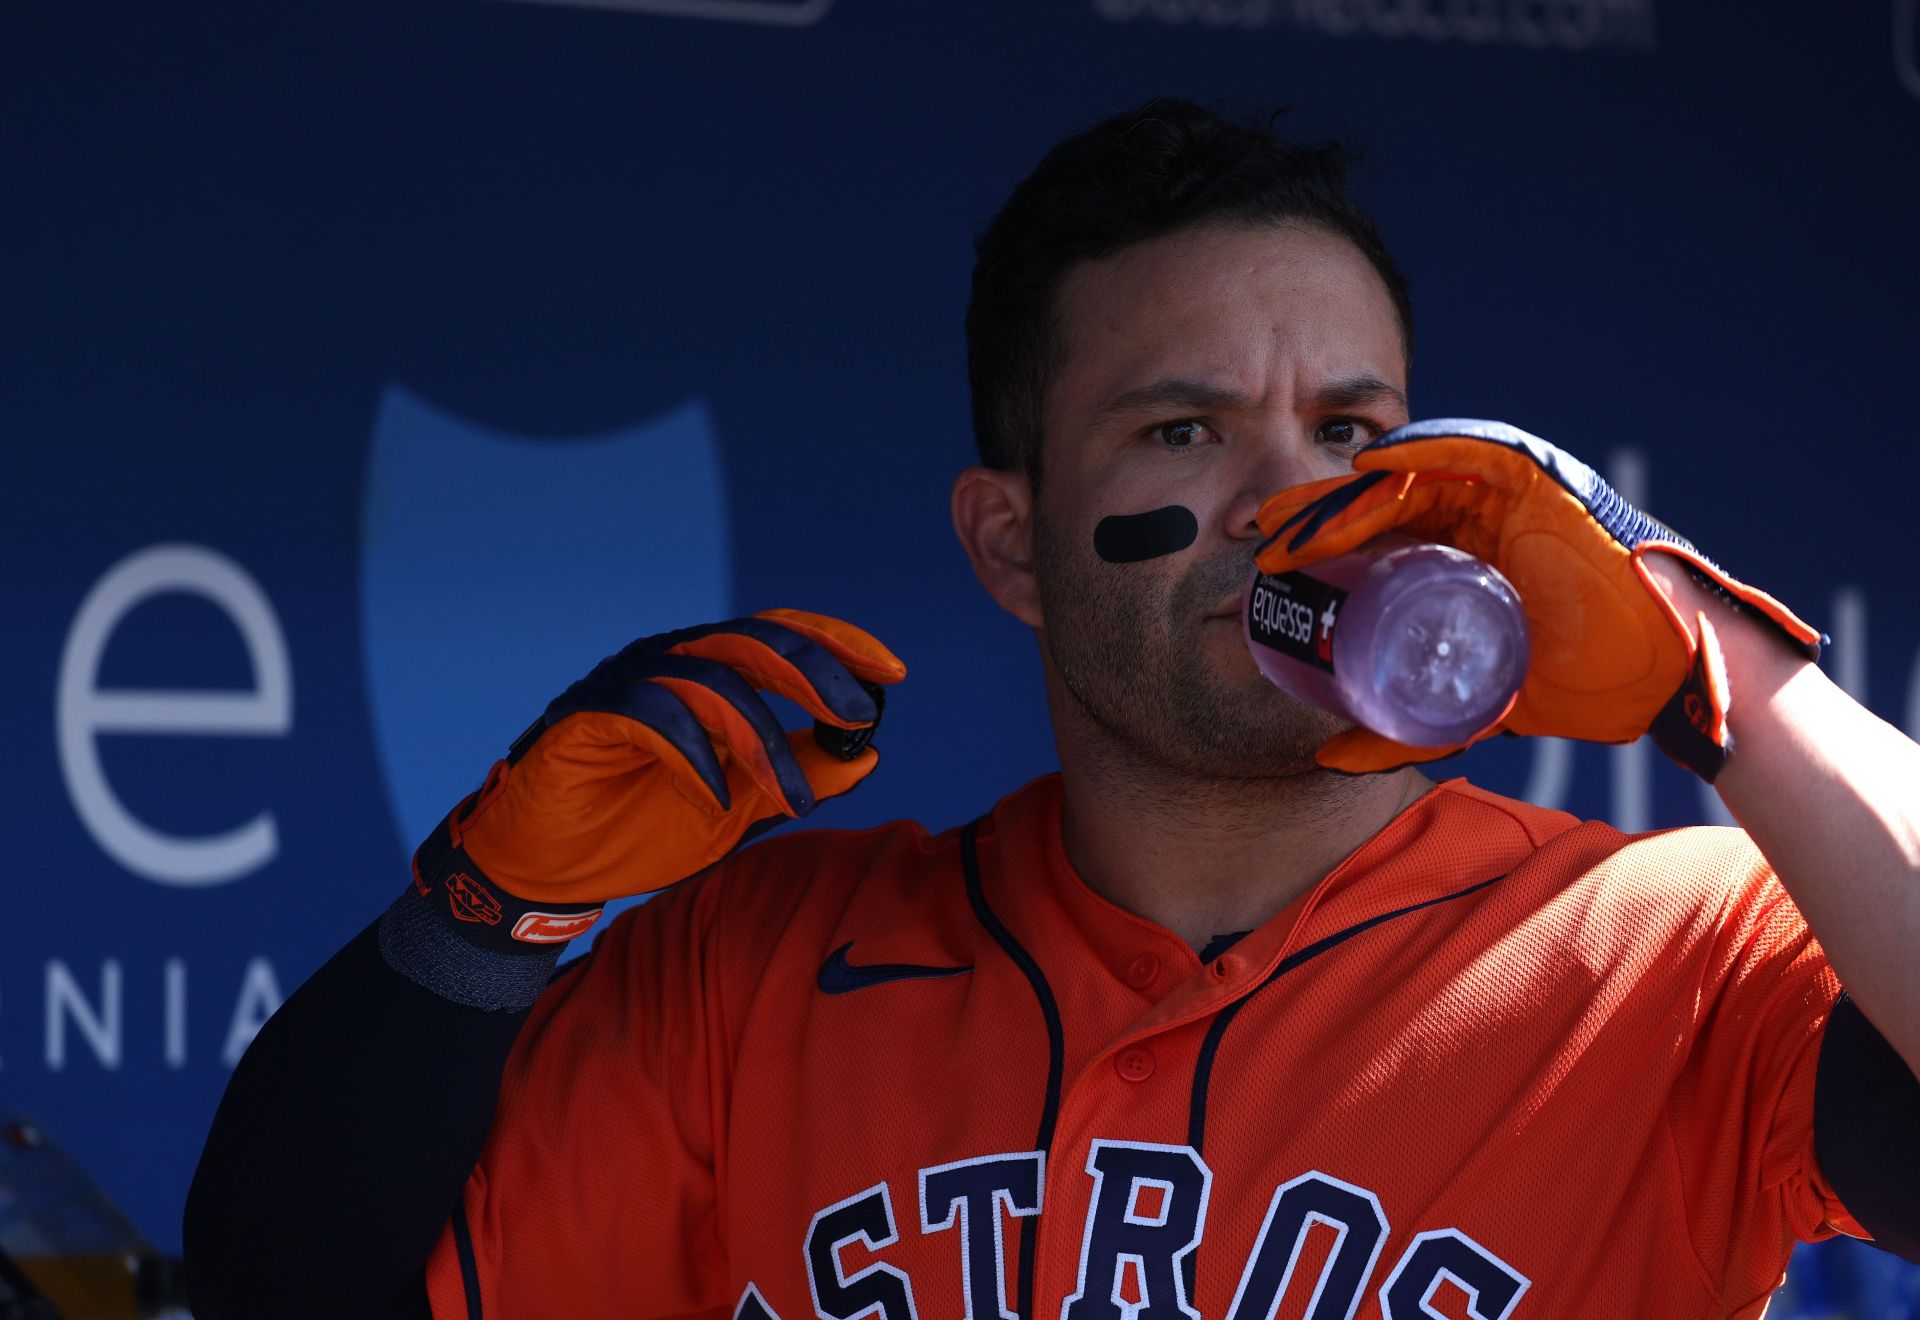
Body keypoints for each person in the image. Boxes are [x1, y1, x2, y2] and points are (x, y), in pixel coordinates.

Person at [183, 98, 1920, 1319]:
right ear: (1011, 544)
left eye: (1349, 429)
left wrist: (1718, 672)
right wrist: (484, 928)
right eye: (1185, 430)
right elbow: (284, 1285)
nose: (1278, 500)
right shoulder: (762, 968)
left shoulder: (1669, 945)